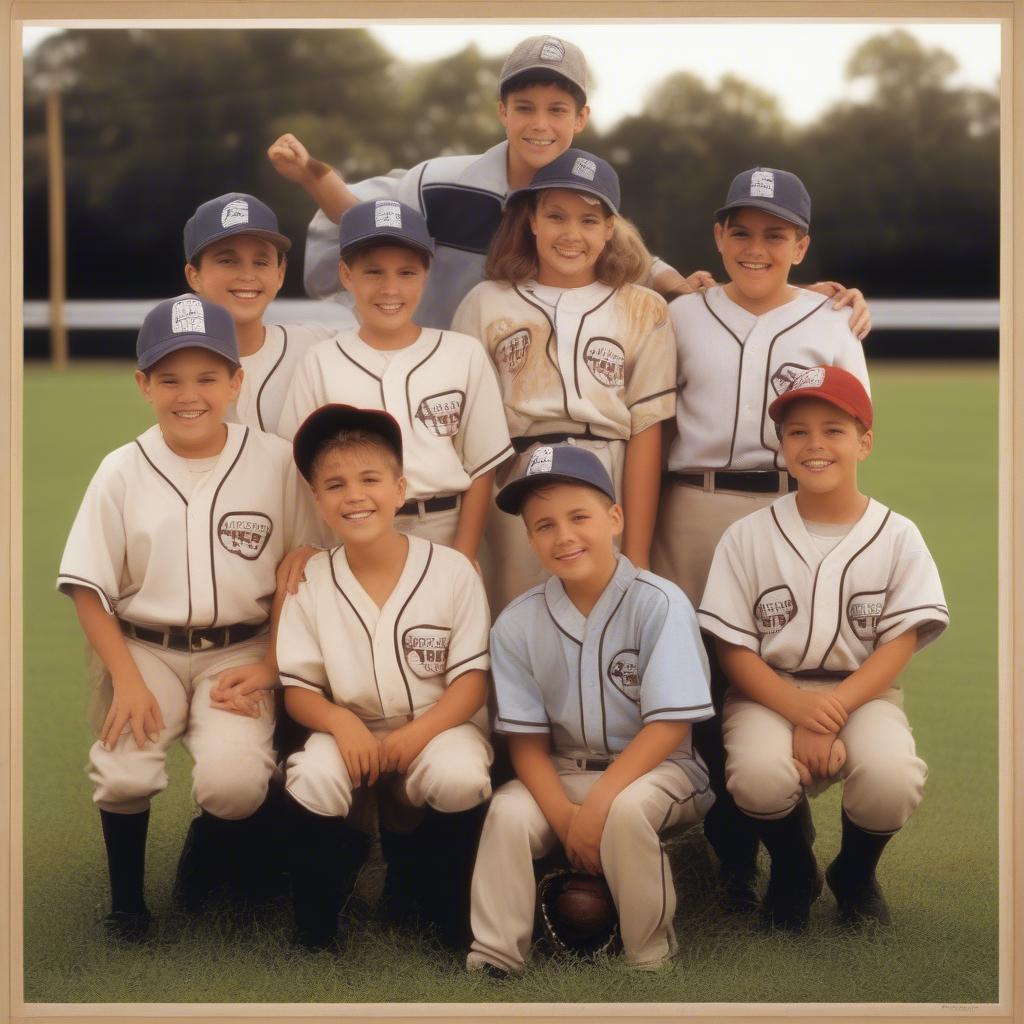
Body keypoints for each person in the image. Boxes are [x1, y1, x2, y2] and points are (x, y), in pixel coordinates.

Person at [56, 295, 319, 940]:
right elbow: (87, 587)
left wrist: (270, 664)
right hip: (145, 649)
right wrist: (127, 676)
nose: (189, 393)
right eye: (169, 378)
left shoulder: (279, 461)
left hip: (242, 649)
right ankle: (128, 906)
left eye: (207, 377)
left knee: (233, 785)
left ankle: (224, 865)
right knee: (123, 768)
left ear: (236, 381)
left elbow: (303, 570)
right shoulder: (120, 469)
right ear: (143, 384)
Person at [649, 166, 873, 909]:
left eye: (775, 234)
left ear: (801, 245)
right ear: (717, 235)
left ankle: (778, 837)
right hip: (691, 502)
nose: (755, 246)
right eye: (740, 231)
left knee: (771, 668)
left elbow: (853, 434)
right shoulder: (681, 315)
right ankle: (730, 847)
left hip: (787, 507)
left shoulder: (831, 321)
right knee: (696, 680)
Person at [698, 366, 948, 932]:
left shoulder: (898, 533)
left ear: (864, 441)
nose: (815, 445)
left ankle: (855, 874)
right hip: (767, 692)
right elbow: (732, 648)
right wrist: (798, 709)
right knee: (757, 775)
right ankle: (793, 868)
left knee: (893, 776)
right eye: (798, 431)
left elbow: (901, 640)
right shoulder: (748, 534)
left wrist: (829, 713)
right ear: (782, 445)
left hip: (864, 692)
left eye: (833, 430)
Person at [466, 444, 714, 976]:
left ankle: (648, 954)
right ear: (530, 538)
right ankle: (495, 954)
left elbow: (671, 725)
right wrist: (564, 818)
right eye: (544, 525)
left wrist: (598, 806)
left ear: (615, 518)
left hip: (663, 770)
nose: (564, 536)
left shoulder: (661, 602)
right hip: (565, 772)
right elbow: (527, 742)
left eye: (579, 516)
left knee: (626, 811)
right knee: (508, 812)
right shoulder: (517, 621)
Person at [268, 34, 709, 329]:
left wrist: (679, 285)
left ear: (581, 118)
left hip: (529, 389)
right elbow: (361, 218)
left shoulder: (584, 193)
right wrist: (312, 173)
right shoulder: (439, 183)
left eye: (557, 109)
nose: (539, 123)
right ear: (502, 111)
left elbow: (629, 255)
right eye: (524, 107)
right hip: (438, 368)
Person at [277, 404, 495, 949]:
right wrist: (337, 722)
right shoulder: (313, 578)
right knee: (312, 775)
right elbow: (298, 689)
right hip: (349, 728)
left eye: (370, 479)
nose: (354, 495)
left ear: (400, 489)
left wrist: (417, 735)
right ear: (318, 501)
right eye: (335, 484)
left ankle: (449, 912)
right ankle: (317, 927)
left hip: (435, 726)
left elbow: (472, 682)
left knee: (460, 775)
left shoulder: (451, 570)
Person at [452, 148, 674, 610]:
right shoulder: (485, 301)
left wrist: (636, 549)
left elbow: (647, 431)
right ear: (532, 219)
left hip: (606, 470)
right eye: (556, 216)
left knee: (610, 626)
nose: (572, 234)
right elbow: (470, 431)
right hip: (516, 477)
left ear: (610, 228)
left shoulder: (642, 307)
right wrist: (468, 542)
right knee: (516, 621)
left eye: (589, 221)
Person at [277, 199, 512, 559]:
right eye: (373, 272)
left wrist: (464, 554)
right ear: (345, 273)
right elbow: (300, 472)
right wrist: (309, 545)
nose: (390, 289)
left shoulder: (461, 353)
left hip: (444, 528)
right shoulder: (321, 361)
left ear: (426, 274)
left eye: (406, 273)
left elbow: (482, 468)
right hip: (352, 533)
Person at [183, 191, 357, 437]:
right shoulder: (175, 366)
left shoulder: (321, 348)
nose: (247, 275)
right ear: (194, 275)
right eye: (227, 261)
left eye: (261, 262)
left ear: (280, 273)